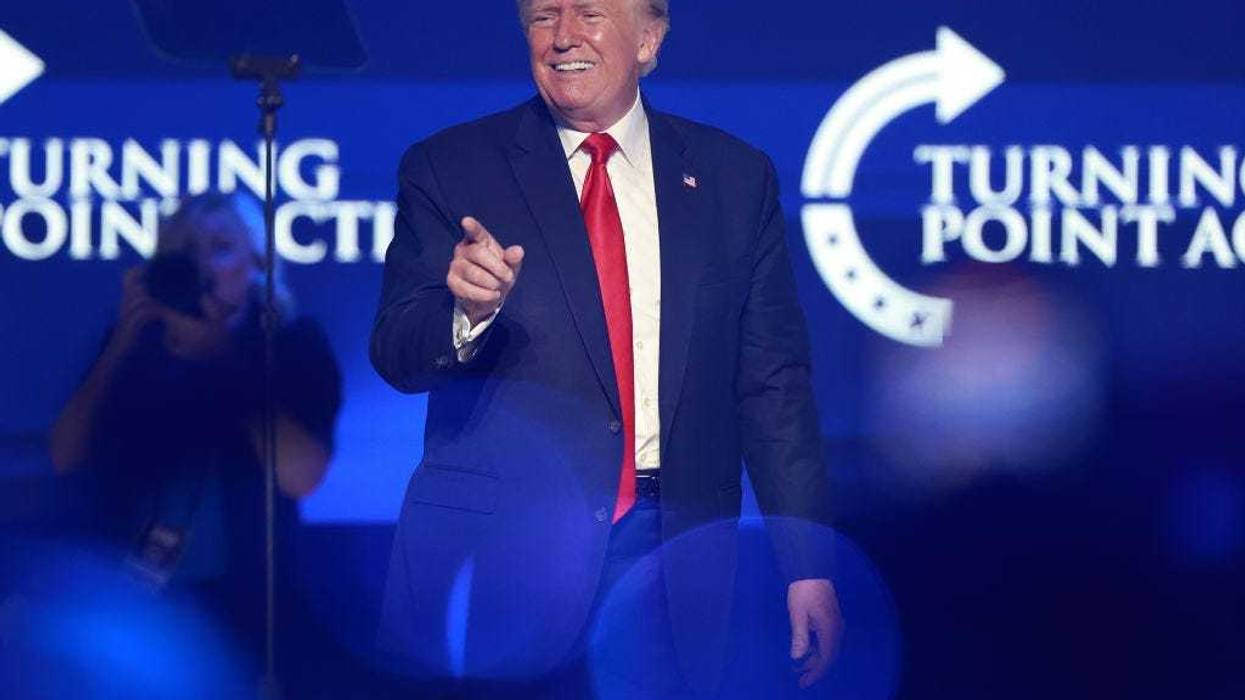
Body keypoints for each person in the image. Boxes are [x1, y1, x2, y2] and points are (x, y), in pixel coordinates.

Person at [370, 1, 840, 696]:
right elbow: (396, 353)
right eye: (542, 16)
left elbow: (771, 383)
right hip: (506, 550)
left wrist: (806, 561)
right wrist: (463, 312)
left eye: (588, 12)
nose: (562, 37)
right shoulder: (449, 167)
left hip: (673, 549)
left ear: (648, 39)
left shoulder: (733, 180)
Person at [48, 192, 342, 669]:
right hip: (138, 597)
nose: (201, 265)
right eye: (185, 251)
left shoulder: (292, 344)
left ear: (256, 262)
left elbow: (301, 475)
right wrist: (125, 336)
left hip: (250, 600)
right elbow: (64, 454)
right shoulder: (136, 346)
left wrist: (221, 356)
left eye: (220, 247)